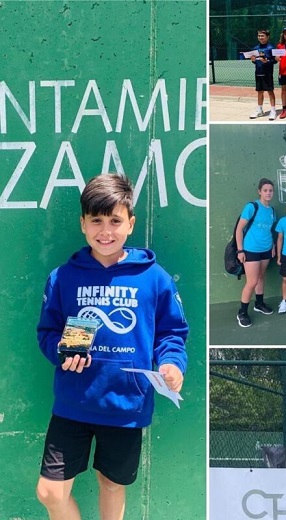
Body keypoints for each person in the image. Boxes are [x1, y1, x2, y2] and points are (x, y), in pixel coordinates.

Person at [36, 173, 189, 520]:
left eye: (115, 221)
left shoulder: (154, 277)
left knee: (111, 483)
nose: (106, 231)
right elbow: (48, 332)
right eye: (96, 221)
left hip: (126, 406)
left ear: (131, 224)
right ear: (83, 224)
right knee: (49, 491)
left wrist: (172, 365)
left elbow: (172, 333)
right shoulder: (63, 277)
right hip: (73, 402)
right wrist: (60, 353)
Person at [236, 178, 277, 327]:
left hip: (266, 249)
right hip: (251, 249)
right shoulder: (252, 207)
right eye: (265, 190)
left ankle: (259, 304)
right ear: (259, 191)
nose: (268, 193)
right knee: (252, 281)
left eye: (270, 190)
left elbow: (268, 230)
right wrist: (240, 250)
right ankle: (242, 312)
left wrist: (272, 245)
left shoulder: (272, 210)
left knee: (260, 277)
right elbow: (239, 229)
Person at [249, 29, 277, 120]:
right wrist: (253, 61)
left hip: (267, 73)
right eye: (259, 36)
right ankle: (259, 109)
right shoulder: (255, 48)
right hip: (258, 72)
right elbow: (255, 62)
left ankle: (273, 110)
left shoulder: (271, 48)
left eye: (262, 36)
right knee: (259, 91)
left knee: (270, 91)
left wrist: (267, 61)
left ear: (267, 37)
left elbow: (275, 60)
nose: (260, 37)